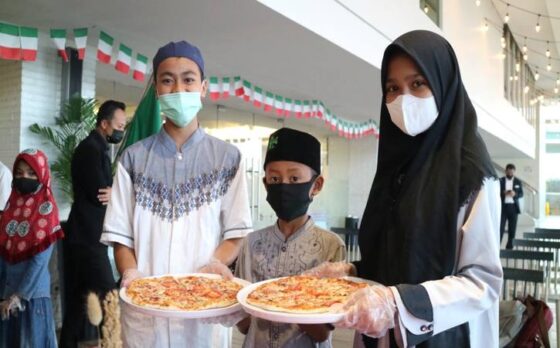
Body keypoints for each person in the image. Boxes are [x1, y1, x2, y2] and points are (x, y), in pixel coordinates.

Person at [307, 30, 502, 347]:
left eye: (418, 84)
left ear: (443, 85)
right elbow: (397, 254)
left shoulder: (472, 173)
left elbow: (482, 282)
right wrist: (352, 271)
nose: (403, 99)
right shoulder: (395, 168)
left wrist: (400, 302)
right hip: (381, 334)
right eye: (392, 89)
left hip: (445, 336)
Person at [100, 40, 253, 347]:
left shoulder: (227, 159)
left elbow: (235, 232)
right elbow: (120, 237)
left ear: (204, 87)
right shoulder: (133, 158)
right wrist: (131, 273)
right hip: (146, 312)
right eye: (167, 80)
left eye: (188, 79)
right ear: (156, 88)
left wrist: (214, 266)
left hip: (203, 307)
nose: (178, 89)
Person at [235, 128, 346, 347]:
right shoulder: (251, 243)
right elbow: (244, 322)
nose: (284, 186)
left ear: (316, 185)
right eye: (275, 178)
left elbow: (323, 332)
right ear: (265, 184)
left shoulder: (331, 247)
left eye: (294, 178)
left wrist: (281, 300)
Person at [60, 100, 127, 347]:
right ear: (104, 124)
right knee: (111, 296)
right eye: (119, 126)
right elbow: (102, 195)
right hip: (88, 239)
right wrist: (116, 191)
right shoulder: (91, 149)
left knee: (78, 303)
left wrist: (113, 191)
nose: (121, 131)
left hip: (84, 236)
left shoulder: (97, 147)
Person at [0, 149, 64, 348]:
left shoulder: (46, 210)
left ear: (42, 175)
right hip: (7, 295)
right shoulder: (11, 206)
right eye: (19, 173)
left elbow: (39, 262)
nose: (24, 178)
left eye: (31, 173)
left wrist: (18, 297)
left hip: (31, 298)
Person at [500, 163, 524, 249]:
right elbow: (495, 193)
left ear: (514, 172)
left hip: (514, 208)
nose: (510, 174)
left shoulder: (518, 181)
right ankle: (497, 246)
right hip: (503, 207)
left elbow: (521, 194)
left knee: (512, 229)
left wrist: (515, 194)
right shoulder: (500, 180)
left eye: (512, 172)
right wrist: (503, 193)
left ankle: (510, 247)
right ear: (506, 171)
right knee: (500, 228)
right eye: (509, 172)